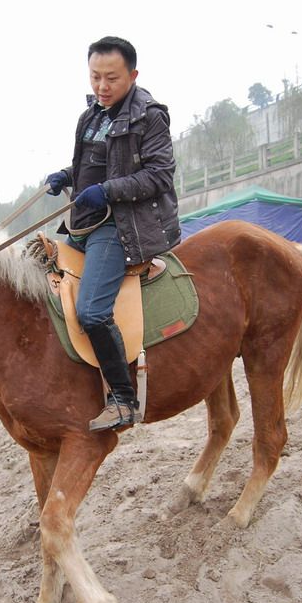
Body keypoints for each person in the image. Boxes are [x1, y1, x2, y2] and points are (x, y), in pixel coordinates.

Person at [46, 36, 180, 432]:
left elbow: (158, 175)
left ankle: (122, 398)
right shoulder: (90, 116)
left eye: (111, 78)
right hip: (83, 223)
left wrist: (105, 191)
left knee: (91, 310)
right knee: (45, 286)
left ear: (133, 76)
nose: (102, 86)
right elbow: (93, 167)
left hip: (120, 226)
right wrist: (66, 177)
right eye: (95, 77)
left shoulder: (149, 116)